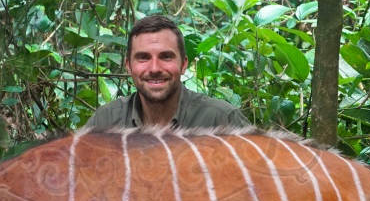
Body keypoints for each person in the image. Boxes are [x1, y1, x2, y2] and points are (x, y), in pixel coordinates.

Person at [85, 15, 250, 129]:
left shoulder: (222, 120)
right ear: (128, 66)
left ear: (183, 64)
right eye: (143, 58)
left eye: (166, 57)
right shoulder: (105, 122)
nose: (155, 69)